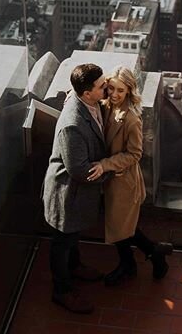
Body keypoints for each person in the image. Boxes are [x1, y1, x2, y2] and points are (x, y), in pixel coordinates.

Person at [88, 67, 173, 286]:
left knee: (121, 227)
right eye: (112, 88)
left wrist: (106, 164)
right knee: (123, 226)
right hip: (110, 180)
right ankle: (153, 253)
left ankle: (133, 264)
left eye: (120, 91)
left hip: (123, 182)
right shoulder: (105, 106)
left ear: (129, 92)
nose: (114, 94)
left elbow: (135, 154)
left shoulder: (131, 119)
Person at [42, 63, 109, 314]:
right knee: (62, 240)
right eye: (102, 86)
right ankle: (61, 290)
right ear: (87, 92)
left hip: (77, 194)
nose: (108, 87)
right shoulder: (73, 124)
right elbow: (80, 170)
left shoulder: (88, 102)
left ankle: (75, 266)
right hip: (66, 194)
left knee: (72, 235)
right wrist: (109, 170)